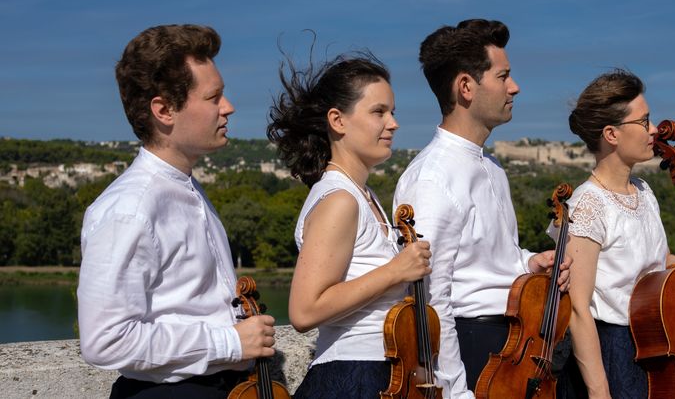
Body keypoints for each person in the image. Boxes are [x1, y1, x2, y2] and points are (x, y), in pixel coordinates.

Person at [78, 24, 276, 398]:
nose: (228, 107)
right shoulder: (130, 208)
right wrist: (229, 343)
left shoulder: (188, 189)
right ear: (164, 110)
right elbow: (105, 340)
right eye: (214, 97)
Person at [393, 18, 572, 399]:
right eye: (503, 76)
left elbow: (481, 263)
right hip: (472, 351)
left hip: (512, 345)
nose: (515, 87)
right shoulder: (432, 178)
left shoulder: (491, 168)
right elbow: (429, 298)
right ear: (466, 87)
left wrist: (527, 263)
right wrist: (456, 391)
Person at [267, 51, 432, 398]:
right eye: (378, 112)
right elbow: (304, 310)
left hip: (376, 373)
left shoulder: (362, 195)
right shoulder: (340, 200)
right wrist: (395, 271)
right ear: (338, 121)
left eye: (392, 112)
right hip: (354, 375)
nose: (393, 123)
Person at [560, 68, 675, 399]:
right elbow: (578, 309)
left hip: (654, 343)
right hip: (612, 352)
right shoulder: (588, 205)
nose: (654, 130)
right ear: (612, 134)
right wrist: (599, 391)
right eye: (643, 122)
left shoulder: (643, 191)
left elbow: (657, 263)